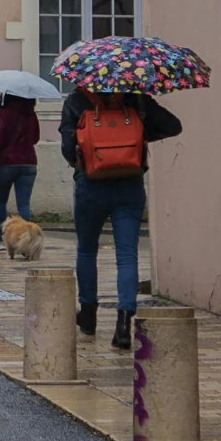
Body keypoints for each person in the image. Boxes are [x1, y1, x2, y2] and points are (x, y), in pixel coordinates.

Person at [58, 86, 183, 348]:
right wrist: (141, 135)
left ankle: (89, 316)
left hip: (90, 185)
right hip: (129, 185)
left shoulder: (76, 100)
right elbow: (174, 126)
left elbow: (68, 149)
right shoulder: (137, 101)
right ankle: (124, 324)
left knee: (86, 251)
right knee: (127, 255)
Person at [0, 94, 40, 246]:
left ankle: (1, 236)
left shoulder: (4, 112)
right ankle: (25, 237)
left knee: (0, 202)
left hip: (6, 162)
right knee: (24, 204)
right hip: (29, 162)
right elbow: (36, 138)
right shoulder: (31, 114)